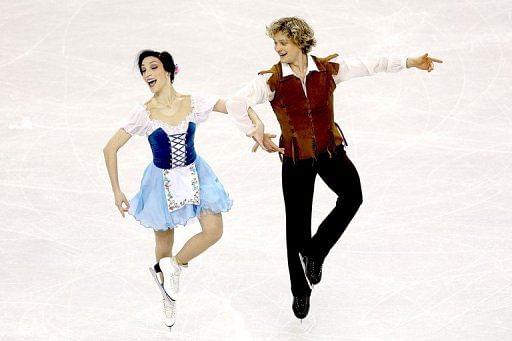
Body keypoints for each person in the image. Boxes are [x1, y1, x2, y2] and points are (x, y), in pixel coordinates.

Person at [225, 17, 443, 319]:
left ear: (300, 41)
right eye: (275, 43)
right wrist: (255, 128)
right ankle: (300, 292)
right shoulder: (272, 81)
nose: (277, 48)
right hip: (296, 157)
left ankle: (315, 253)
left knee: (353, 196)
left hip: (329, 151)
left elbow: (371, 64)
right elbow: (236, 102)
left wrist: (410, 61)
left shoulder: (327, 70)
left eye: (283, 42)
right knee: (297, 228)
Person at [103, 50, 264, 329]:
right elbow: (110, 148)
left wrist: (257, 124)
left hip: (196, 174)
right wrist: (117, 191)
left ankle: (174, 266)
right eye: (143, 70)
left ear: (167, 70)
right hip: (160, 183)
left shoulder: (193, 103)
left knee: (213, 230)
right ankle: (168, 295)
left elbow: (234, 104)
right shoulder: (143, 113)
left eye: (153, 67)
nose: (147, 74)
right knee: (163, 244)